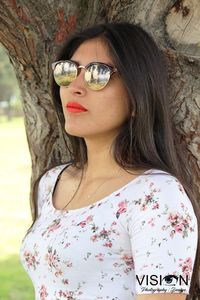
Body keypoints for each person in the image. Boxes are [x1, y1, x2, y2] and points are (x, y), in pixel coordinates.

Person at [19, 22, 199, 300]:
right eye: (68, 71)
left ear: (138, 97)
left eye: (98, 74)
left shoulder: (158, 197)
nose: (75, 87)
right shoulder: (51, 183)